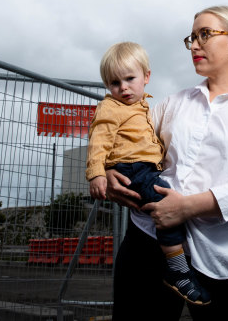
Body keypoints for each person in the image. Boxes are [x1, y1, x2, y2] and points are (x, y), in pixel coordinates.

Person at [100, 6, 228, 321]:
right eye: (191, 37)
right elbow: (126, 142)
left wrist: (186, 207)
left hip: (227, 255)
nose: (194, 45)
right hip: (148, 241)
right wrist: (109, 171)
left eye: (205, 35)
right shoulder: (172, 103)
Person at [86, 42, 211, 306]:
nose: (123, 88)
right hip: (132, 168)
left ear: (147, 77)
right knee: (166, 209)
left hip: (143, 167)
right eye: (114, 83)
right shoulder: (111, 107)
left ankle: (178, 260)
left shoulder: (145, 107)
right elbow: (99, 140)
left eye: (130, 79)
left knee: (169, 209)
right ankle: (177, 269)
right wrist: (98, 172)